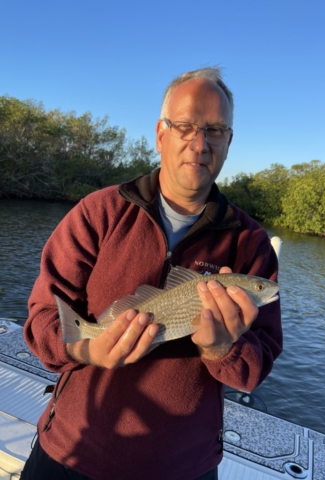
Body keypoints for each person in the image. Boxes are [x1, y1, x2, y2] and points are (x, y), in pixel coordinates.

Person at [21, 67, 282, 480]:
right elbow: (41, 320)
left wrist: (220, 349)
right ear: (161, 134)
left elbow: (254, 369)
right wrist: (88, 349)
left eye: (215, 129)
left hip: (182, 468)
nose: (199, 143)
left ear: (229, 142)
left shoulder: (250, 244)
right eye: (185, 127)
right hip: (70, 453)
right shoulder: (98, 212)